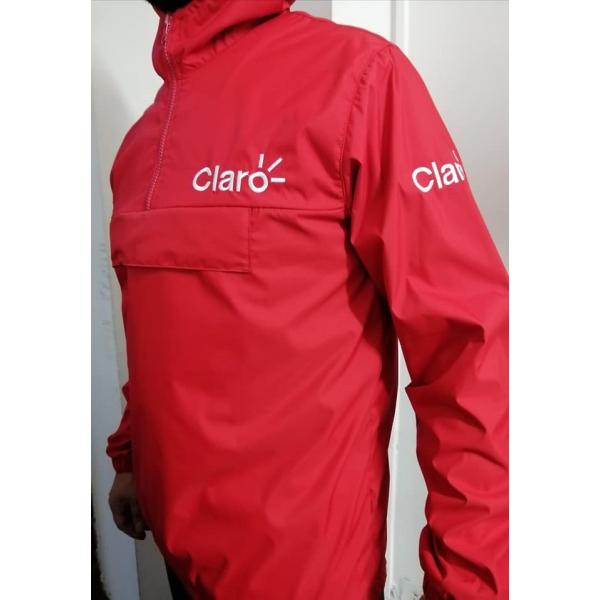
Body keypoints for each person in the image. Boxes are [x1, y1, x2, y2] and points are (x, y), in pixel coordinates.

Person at [106, 1, 509, 599]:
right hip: (177, 553)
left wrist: (471, 585)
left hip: (303, 578)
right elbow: (158, 334)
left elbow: (469, 347)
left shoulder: (360, 79)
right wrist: (130, 457)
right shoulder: (141, 146)